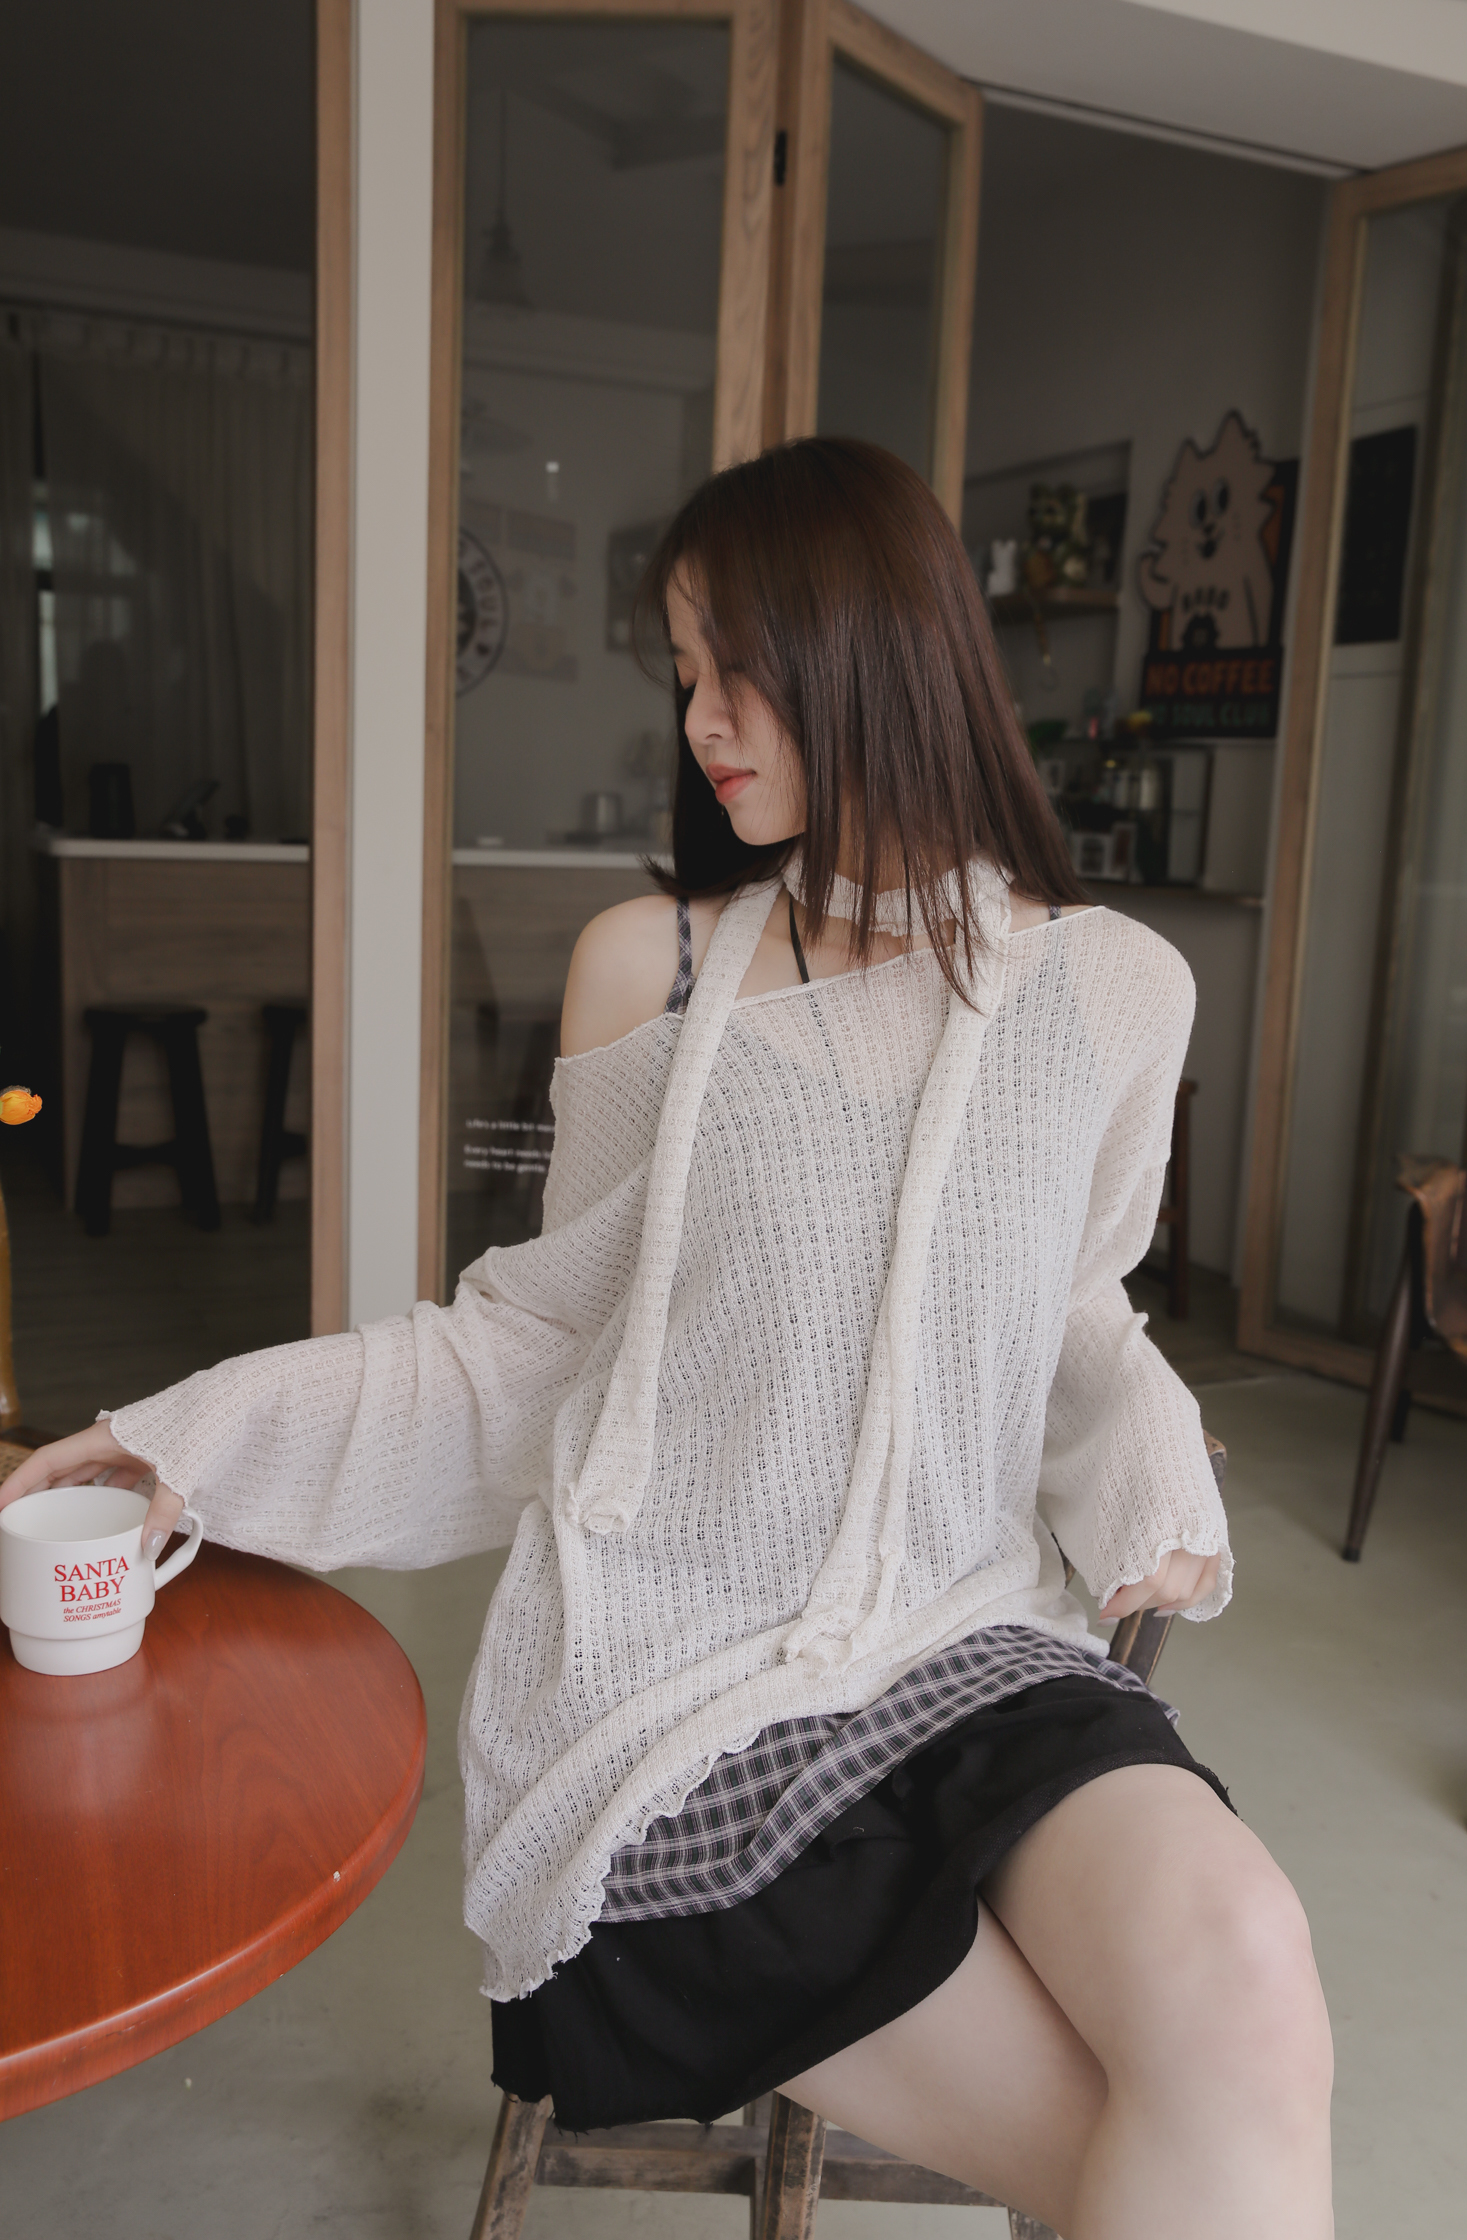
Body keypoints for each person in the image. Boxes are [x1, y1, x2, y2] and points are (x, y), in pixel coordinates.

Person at [5, 440, 1333, 2238]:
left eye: (740, 667)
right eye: (685, 672)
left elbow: (1072, 1307)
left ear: (876, 649)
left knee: (1246, 1963)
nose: (702, 719)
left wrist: (1150, 1467)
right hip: (679, 1689)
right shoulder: (660, 968)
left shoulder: (1114, 990)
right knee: (1138, 2140)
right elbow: (529, 1344)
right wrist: (184, 1439)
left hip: (968, 1642)